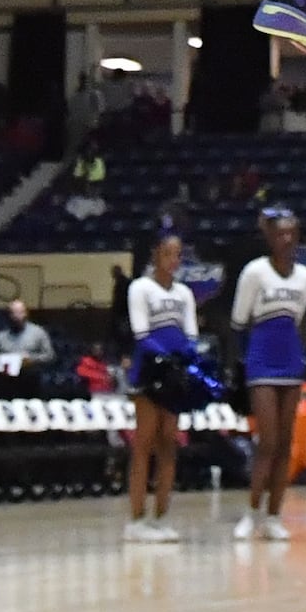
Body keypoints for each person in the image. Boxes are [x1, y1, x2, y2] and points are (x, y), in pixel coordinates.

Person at [231, 208, 306, 544]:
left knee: (285, 443)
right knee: (267, 442)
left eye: (292, 233)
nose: (287, 239)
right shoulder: (255, 271)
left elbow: (297, 320)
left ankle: (275, 516)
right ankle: (251, 514)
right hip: (261, 359)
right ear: (269, 237)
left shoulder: (305, 277)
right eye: (280, 233)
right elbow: (239, 321)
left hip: (290, 359)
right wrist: (246, 360)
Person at [122, 230, 203, 543]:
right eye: (169, 253)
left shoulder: (184, 293)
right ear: (155, 254)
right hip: (149, 371)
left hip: (174, 375)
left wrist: (187, 359)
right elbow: (142, 333)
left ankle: (162, 516)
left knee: (169, 442)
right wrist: (169, 358)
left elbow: (192, 334)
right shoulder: (140, 288)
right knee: (144, 443)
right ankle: (136, 519)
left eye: (178, 254)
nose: (174, 260)